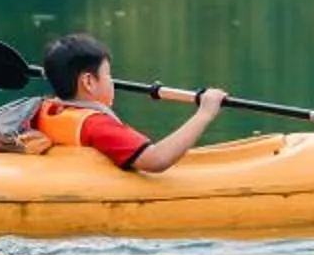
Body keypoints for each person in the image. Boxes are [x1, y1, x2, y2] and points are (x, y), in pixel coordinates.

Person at [22, 32, 225, 175]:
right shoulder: (96, 125)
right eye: (108, 75)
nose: (111, 81)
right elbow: (156, 160)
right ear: (88, 82)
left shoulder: (41, 111)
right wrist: (204, 114)